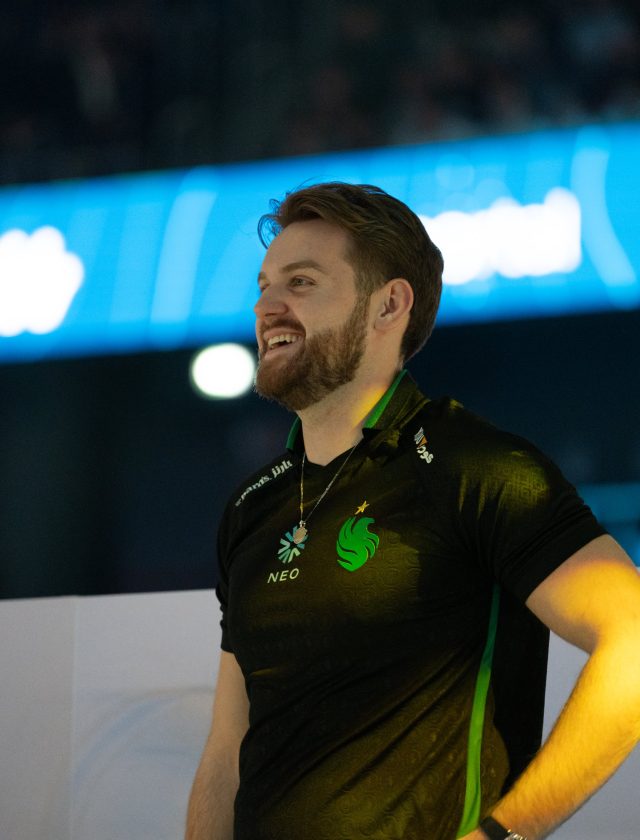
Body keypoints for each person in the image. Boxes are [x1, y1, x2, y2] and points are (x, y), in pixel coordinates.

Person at [185, 182, 640, 840]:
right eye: (263, 286)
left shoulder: (473, 466)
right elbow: (227, 751)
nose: (266, 306)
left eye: (301, 282)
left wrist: (502, 835)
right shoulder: (252, 506)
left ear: (389, 305)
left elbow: (632, 639)